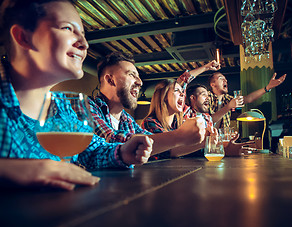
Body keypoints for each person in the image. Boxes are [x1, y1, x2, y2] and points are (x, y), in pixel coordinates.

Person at [0, 0, 153, 190]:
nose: (85, 44)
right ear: (23, 37)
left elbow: (91, 150)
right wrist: (14, 170)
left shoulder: (63, 107)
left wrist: (122, 152)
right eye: (67, 28)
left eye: (83, 34)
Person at [89, 52, 205, 158]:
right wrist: (180, 136)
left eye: (138, 76)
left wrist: (205, 142)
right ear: (110, 80)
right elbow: (111, 139)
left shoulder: (127, 119)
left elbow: (162, 148)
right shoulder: (86, 107)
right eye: (131, 75)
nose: (140, 82)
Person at [208, 72, 287, 129]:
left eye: (226, 79)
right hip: (206, 140)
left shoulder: (227, 99)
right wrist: (229, 106)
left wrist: (267, 88)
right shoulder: (207, 97)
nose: (225, 81)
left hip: (221, 138)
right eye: (221, 79)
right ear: (213, 84)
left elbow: (249, 99)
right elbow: (210, 120)